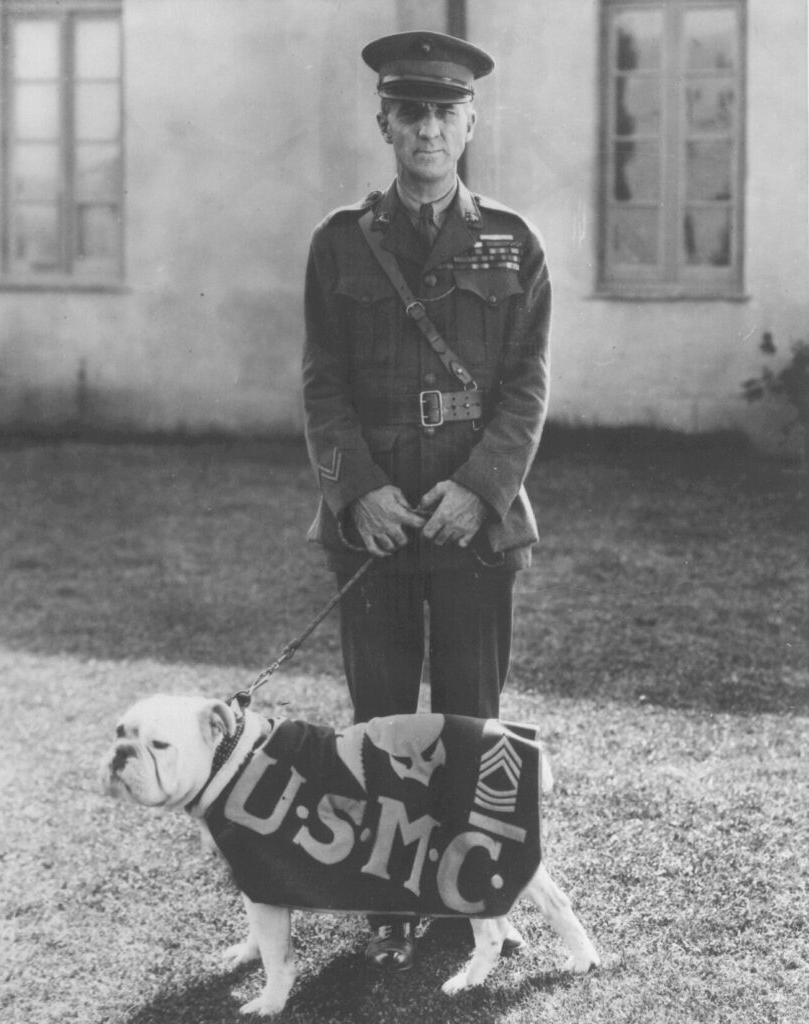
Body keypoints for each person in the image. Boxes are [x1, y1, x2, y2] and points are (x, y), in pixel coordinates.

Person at [301, 30, 551, 970]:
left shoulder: (510, 243)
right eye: (411, 113)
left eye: (447, 113)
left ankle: (472, 892)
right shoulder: (338, 243)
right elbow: (321, 383)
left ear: (470, 122)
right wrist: (356, 492)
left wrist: (480, 490)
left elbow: (525, 385)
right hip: (371, 525)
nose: (429, 130)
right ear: (385, 123)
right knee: (377, 713)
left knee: (470, 714)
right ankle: (390, 890)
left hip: (472, 524)